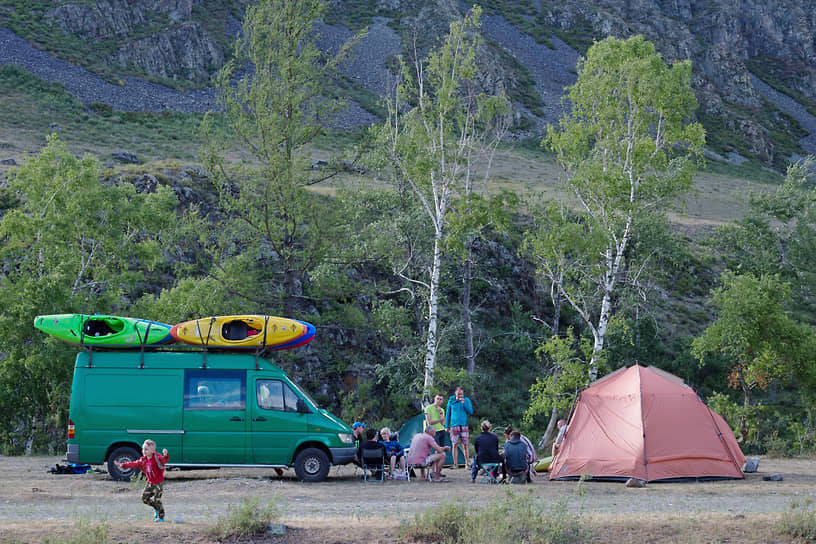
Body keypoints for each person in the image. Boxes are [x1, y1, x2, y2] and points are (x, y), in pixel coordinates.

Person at [115, 439, 169, 521]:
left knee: (157, 499)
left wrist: (165, 455)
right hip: (150, 482)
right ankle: (156, 508)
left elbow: (164, 460)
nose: (144, 451)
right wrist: (123, 465)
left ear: (152, 450)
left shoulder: (157, 457)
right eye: (143, 449)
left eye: (146, 449)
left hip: (158, 482)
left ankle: (161, 517)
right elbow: (134, 464)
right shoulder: (143, 460)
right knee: (145, 499)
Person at [445, 386, 473, 468]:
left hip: (463, 425)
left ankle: (467, 463)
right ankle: (455, 464)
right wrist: (446, 426)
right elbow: (448, 414)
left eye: (461, 394)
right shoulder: (451, 401)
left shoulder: (466, 400)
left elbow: (470, 411)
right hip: (454, 425)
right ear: (455, 393)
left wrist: (464, 404)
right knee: (454, 444)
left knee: (465, 445)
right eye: (458, 394)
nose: (460, 395)